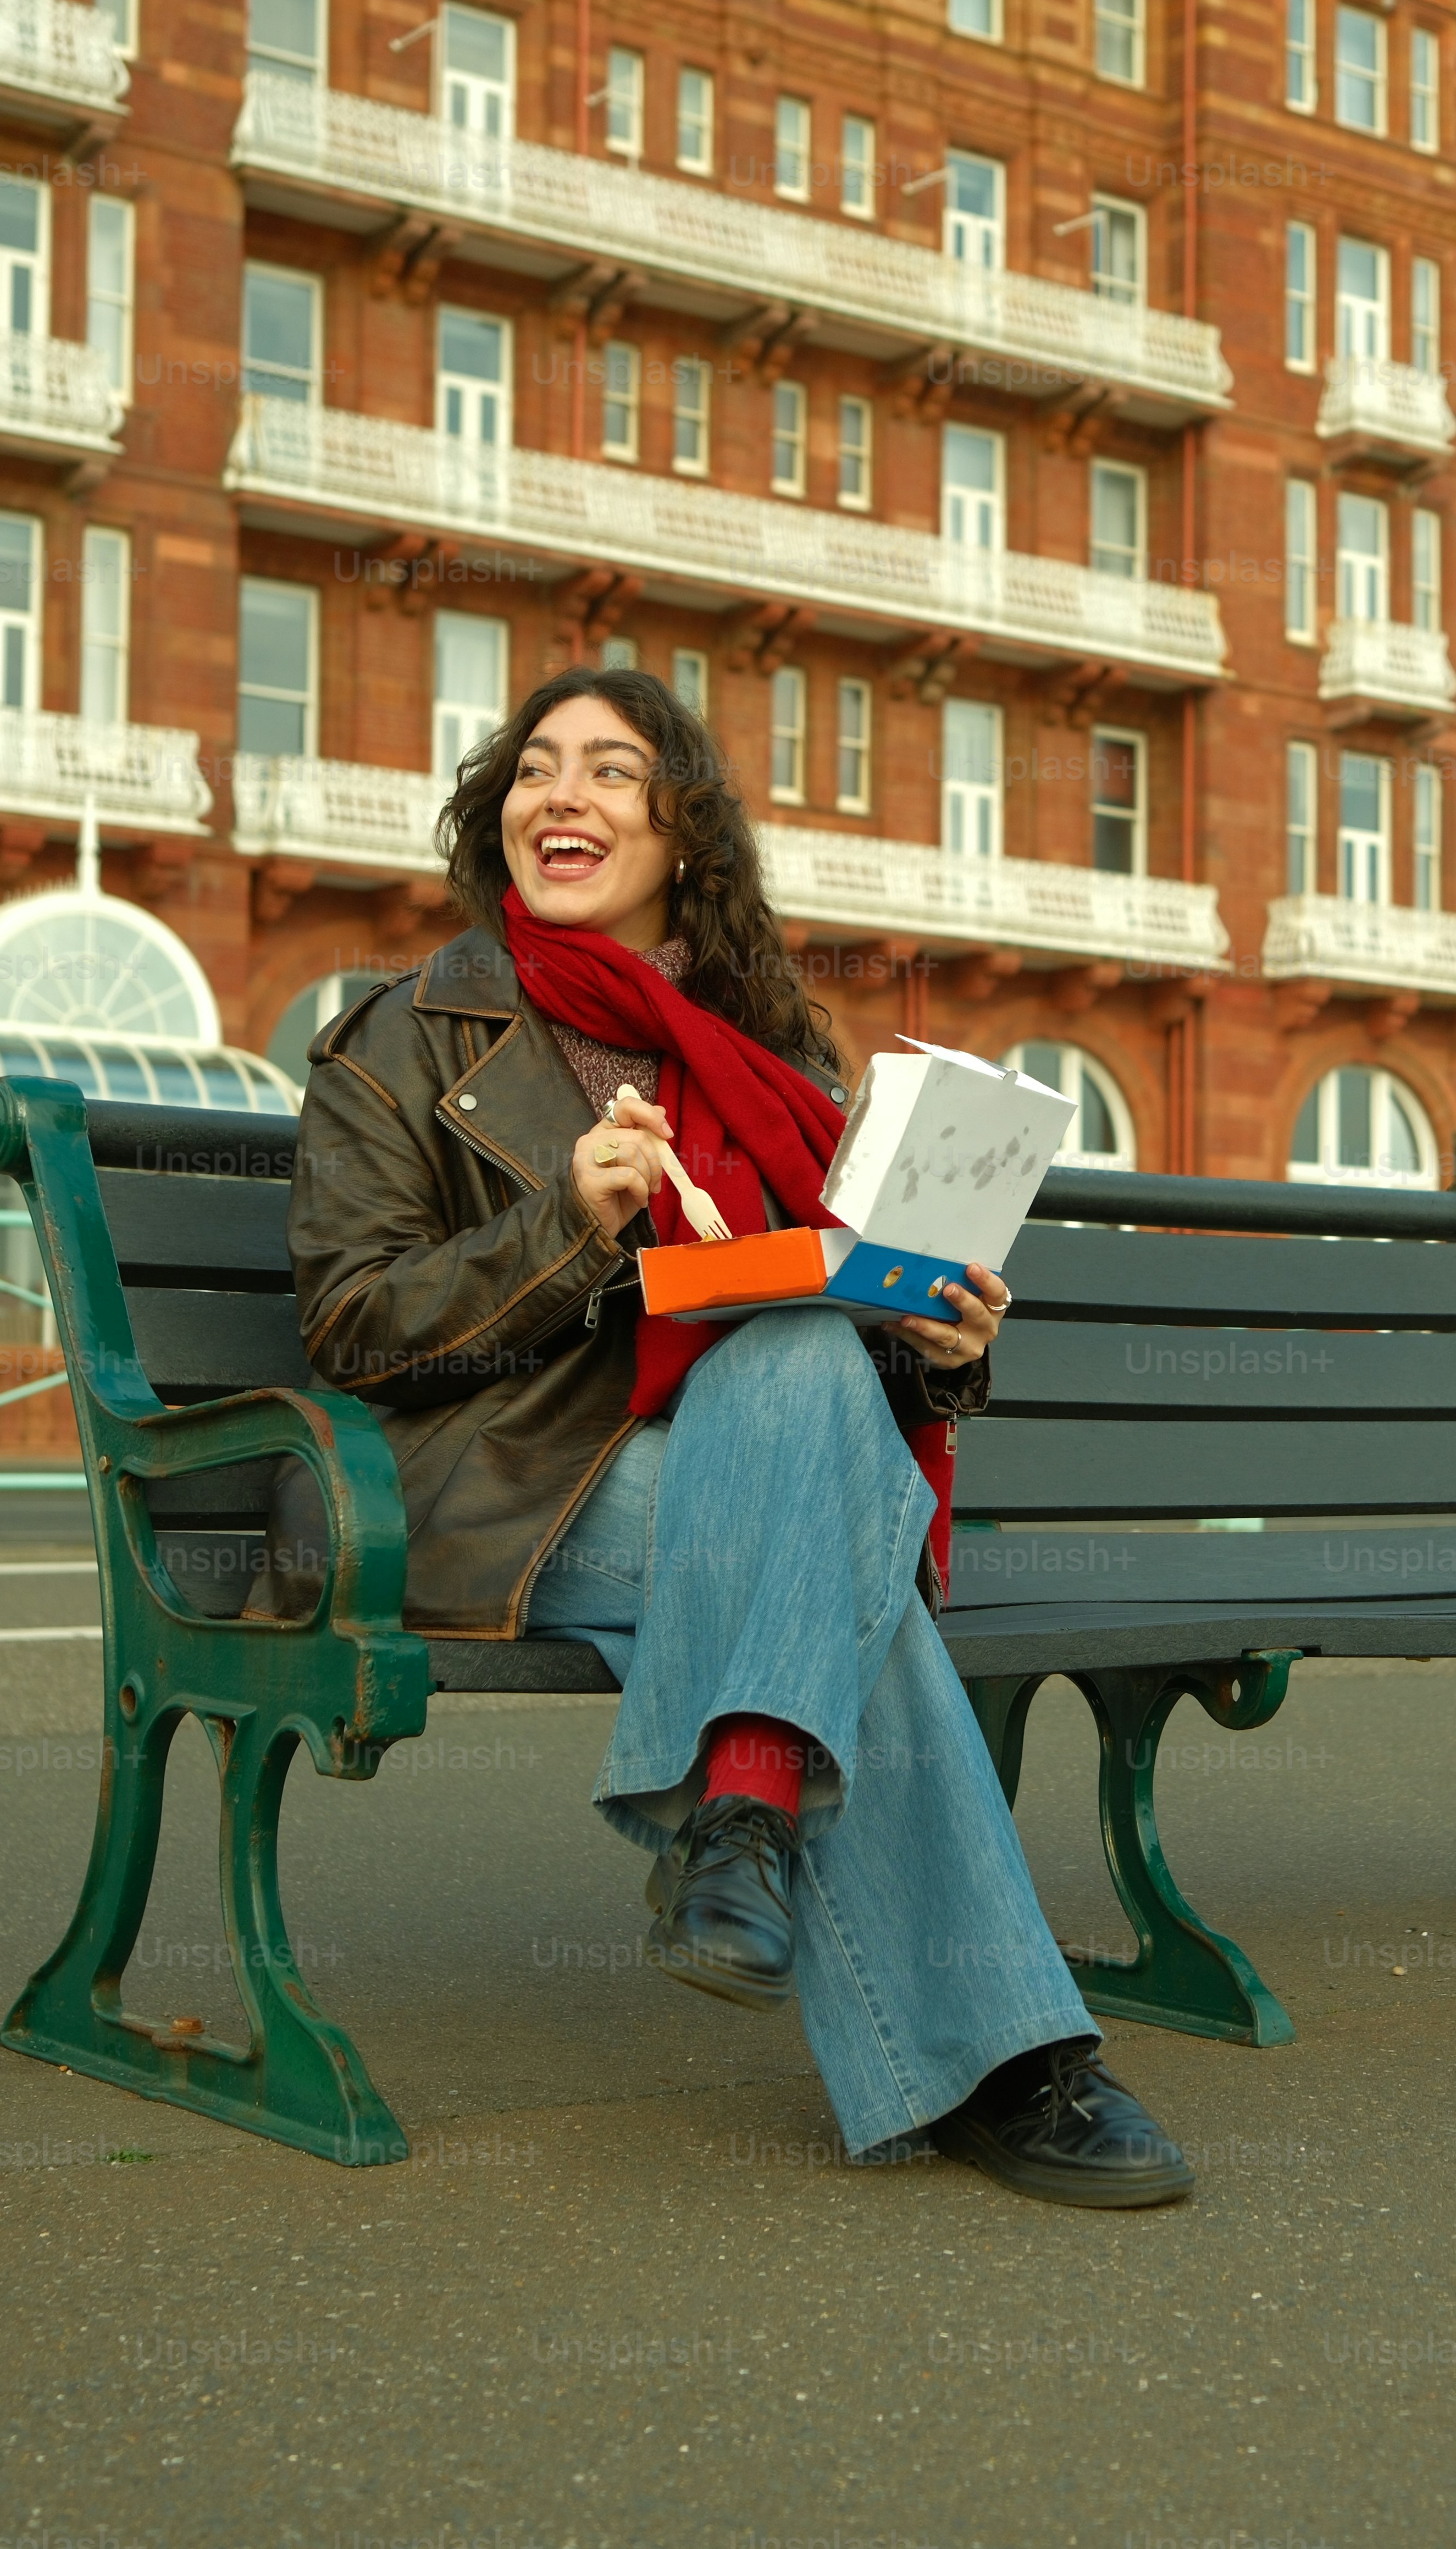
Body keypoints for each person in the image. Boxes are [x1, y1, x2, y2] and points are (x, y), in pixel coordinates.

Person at [281, 666, 1191, 2209]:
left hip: (738, 1464)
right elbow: (356, 1328)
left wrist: (940, 1339)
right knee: (843, 1543)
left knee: (801, 1368)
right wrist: (564, 1220)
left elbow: (835, 1308)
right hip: (482, 1481)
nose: (561, 796)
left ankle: (743, 1836)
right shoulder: (401, 1038)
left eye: (614, 772)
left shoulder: (762, 1053)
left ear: (684, 832)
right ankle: (999, 2041)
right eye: (536, 770)